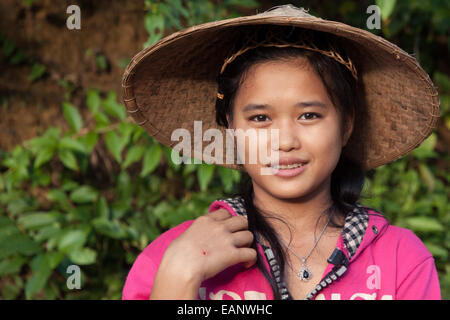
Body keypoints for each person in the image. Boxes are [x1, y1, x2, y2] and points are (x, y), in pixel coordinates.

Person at [121, 5, 441, 300]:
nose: (285, 141)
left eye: (309, 115)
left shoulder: (401, 259)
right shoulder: (170, 258)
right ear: (230, 125)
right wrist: (178, 279)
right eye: (260, 118)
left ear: (346, 124)